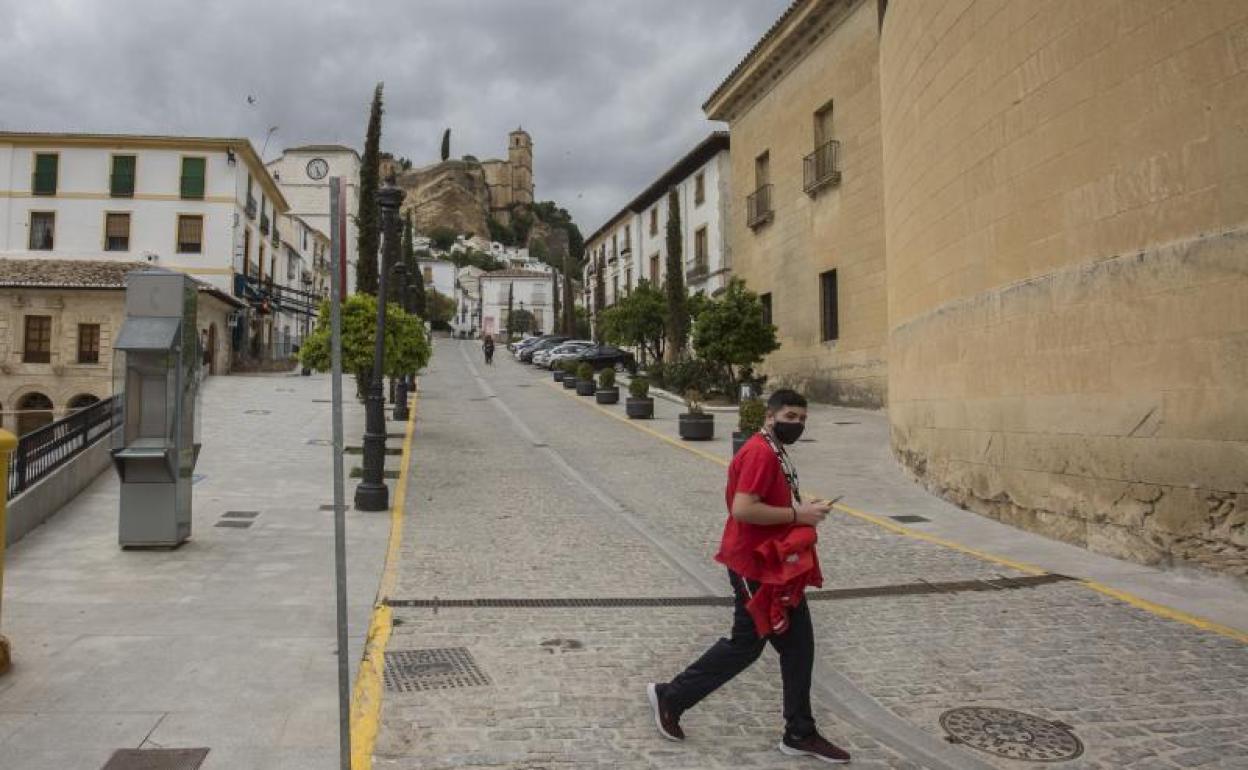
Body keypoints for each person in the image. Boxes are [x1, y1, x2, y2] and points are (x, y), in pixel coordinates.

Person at [648, 389, 851, 764]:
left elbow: (765, 500)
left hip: (773, 566)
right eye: (791, 416)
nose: (798, 424)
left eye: (803, 419)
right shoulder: (759, 451)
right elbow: (743, 509)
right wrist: (797, 516)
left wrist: (802, 508)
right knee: (747, 644)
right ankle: (671, 696)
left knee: (798, 645)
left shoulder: (772, 449)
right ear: (771, 417)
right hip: (753, 566)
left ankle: (799, 731)